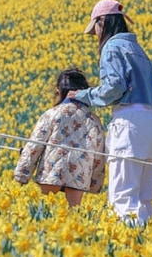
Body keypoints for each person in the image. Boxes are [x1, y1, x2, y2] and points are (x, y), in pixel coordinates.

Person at [68, 0, 152, 225]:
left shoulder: (112, 47)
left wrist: (82, 95)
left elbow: (114, 88)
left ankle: (127, 250)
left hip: (129, 124)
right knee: (144, 200)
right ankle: (147, 247)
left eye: (96, 28)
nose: (97, 35)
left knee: (122, 198)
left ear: (103, 22)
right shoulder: (138, 50)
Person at [14, 68, 105, 207]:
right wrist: (94, 184)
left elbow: (34, 146)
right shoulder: (94, 119)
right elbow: (98, 154)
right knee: (73, 215)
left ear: (58, 91)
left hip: (52, 173)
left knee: (45, 212)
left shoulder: (52, 114)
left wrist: (22, 175)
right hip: (79, 176)